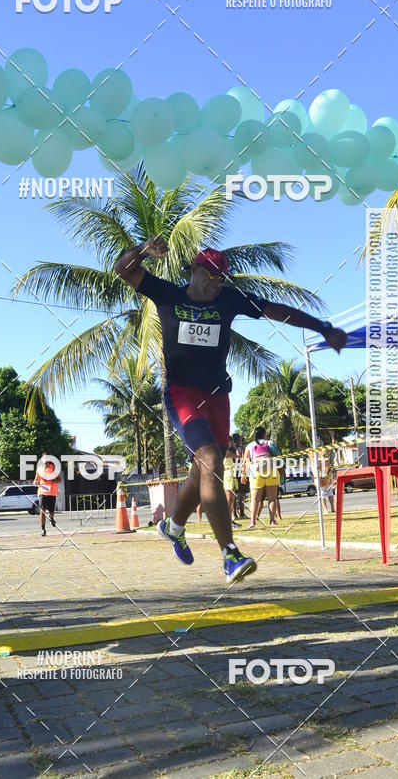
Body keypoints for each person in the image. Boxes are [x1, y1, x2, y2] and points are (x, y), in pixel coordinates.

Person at [114, 238, 347, 584]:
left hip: (218, 396)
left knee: (203, 469)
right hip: (182, 394)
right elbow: (123, 270)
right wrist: (144, 250)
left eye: (221, 278)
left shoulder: (228, 299)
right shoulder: (167, 295)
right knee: (210, 460)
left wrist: (323, 328)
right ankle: (230, 555)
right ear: (193, 270)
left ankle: (173, 527)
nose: (214, 283)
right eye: (209, 275)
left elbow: (276, 310)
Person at [241, 429, 282, 528]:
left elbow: (245, 461)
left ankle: (252, 521)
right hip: (271, 470)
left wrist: (243, 474)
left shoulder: (250, 445)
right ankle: (272, 520)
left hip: (256, 472)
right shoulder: (270, 443)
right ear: (264, 434)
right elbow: (279, 455)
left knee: (255, 499)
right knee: (272, 498)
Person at [33, 458, 60, 537]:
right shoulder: (39, 470)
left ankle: (51, 518)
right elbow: (35, 481)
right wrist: (36, 482)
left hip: (52, 493)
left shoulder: (53, 468)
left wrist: (51, 480)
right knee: (42, 510)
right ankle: (43, 529)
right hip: (42, 492)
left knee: (51, 511)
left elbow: (59, 480)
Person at [223, 437, 241, 528]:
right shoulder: (226, 452)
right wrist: (236, 448)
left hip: (230, 474)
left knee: (231, 500)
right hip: (228, 474)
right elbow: (238, 457)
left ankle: (229, 520)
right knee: (229, 500)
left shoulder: (225, 451)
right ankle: (228, 521)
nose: (231, 443)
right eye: (230, 441)